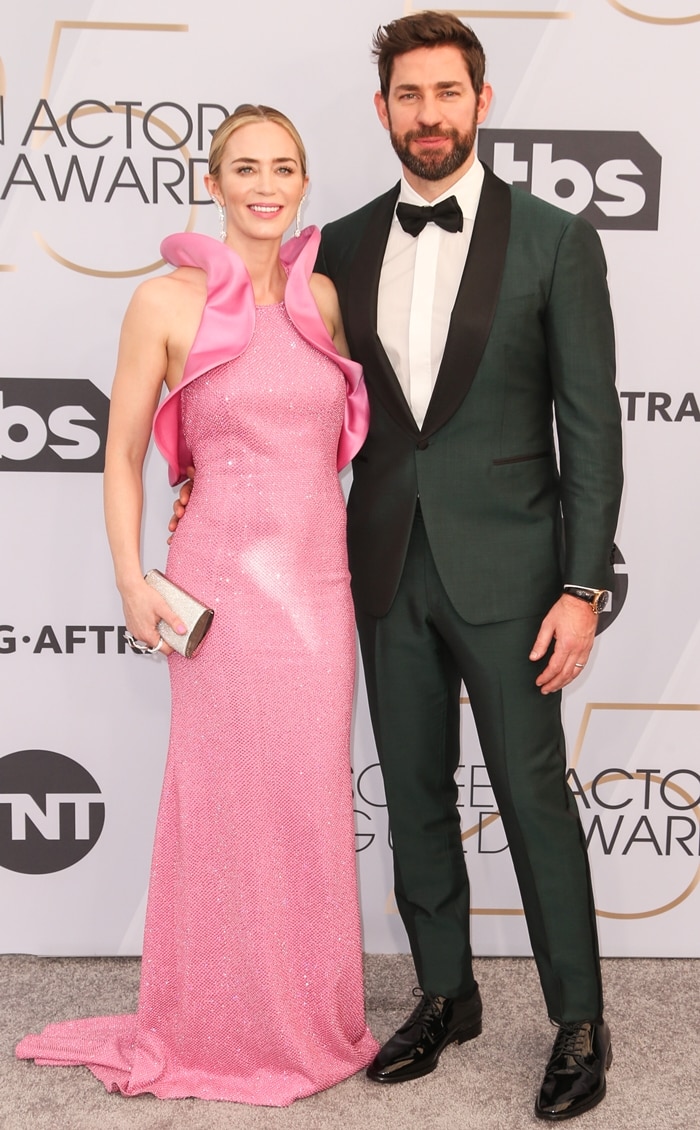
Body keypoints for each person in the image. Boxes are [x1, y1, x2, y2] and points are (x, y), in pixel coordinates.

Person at [16, 104, 378, 1105]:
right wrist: (132, 576)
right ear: (212, 184)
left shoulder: (325, 299)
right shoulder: (163, 303)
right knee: (221, 805)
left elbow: (324, 450)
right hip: (215, 590)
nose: (267, 183)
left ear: (304, 184)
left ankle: (302, 1014)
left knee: (306, 803)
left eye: (285, 167)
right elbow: (124, 451)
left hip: (318, 586)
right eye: (245, 167)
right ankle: (213, 1019)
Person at [313, 13, 623, 1122]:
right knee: (412, 795)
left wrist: (582, 587)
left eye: (446, 92)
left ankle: (578, 1018)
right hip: (386, 562)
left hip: (515, 578)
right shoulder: (339, 244)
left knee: (534, 795)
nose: (428, 114)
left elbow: (590, 431)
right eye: (408, 95)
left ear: (481, 102)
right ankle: (446, 992)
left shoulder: (553, 238)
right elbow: (307, 405)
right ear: (384, 108)